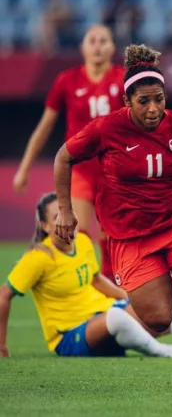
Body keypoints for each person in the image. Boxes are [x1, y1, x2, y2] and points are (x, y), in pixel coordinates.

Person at [52, 44, 172, 387]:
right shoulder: (105, 129)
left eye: (159, 99)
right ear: (127, 102)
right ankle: (171, 278)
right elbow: (63, 157)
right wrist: (65, 210)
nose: (154, 109)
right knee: (158, 319)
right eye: (144, 102)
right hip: (129, 236)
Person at [0, 193, 172, 358]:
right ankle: (166, 352)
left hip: (104, 315)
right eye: (56, 219)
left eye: (67, 215)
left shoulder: (83, 243)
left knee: (171, 314)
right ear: (44, 225)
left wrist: (128, 298)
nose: (65, 224)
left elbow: (97, 280)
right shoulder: (38, 257)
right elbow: (5, 295)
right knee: (117, 317)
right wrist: (1, 346)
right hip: (70, 336)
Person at [14, 25, 125, 280]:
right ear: (82, 47)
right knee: (79, 232)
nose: (97, 45)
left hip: (115, 170)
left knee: (111, 237)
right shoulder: (67, 80)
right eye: (92, 40)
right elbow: (44, 127)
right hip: (80, 170)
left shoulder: (122, 79)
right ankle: (87, 291)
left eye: (103, 41)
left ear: (112, 48)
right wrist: (24, 168)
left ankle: (113, 297)